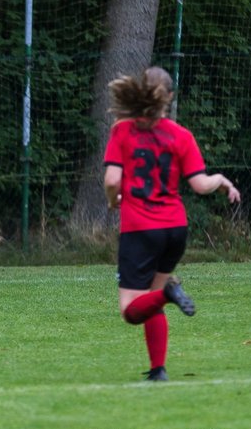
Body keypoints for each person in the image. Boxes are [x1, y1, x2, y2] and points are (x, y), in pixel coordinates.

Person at [102, 66, 241, 381]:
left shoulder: (122, 131)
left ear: (141, 91)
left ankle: (169, 294)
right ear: (170, 98)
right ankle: (158, 370)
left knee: (131, 309)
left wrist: (114, 201)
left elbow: (112, 180)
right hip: (175, 228)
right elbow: (200, 185)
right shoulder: (181, 135)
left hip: (140, 229)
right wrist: (222, 181)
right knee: (154, 291)